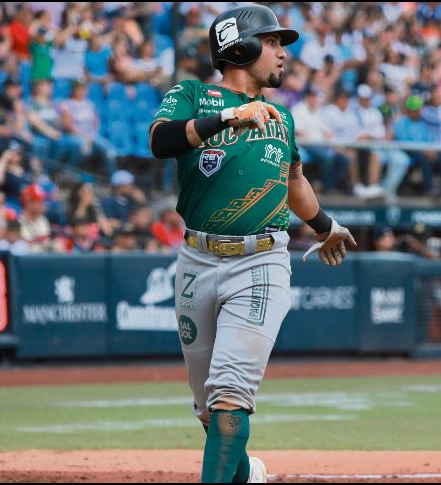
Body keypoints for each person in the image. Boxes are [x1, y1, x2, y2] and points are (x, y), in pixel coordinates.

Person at [149, 5, 356, 483]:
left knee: (229, 398)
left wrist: (324, 224)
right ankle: (248, 475)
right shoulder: (192, 94)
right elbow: (160, 142)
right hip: (196, 260)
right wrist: (227, 117)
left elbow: (294, 180)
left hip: (260, 260)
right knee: (208, 409)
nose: (283, 54)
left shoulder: (281, 117)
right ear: (238, 47)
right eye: (272, 42)